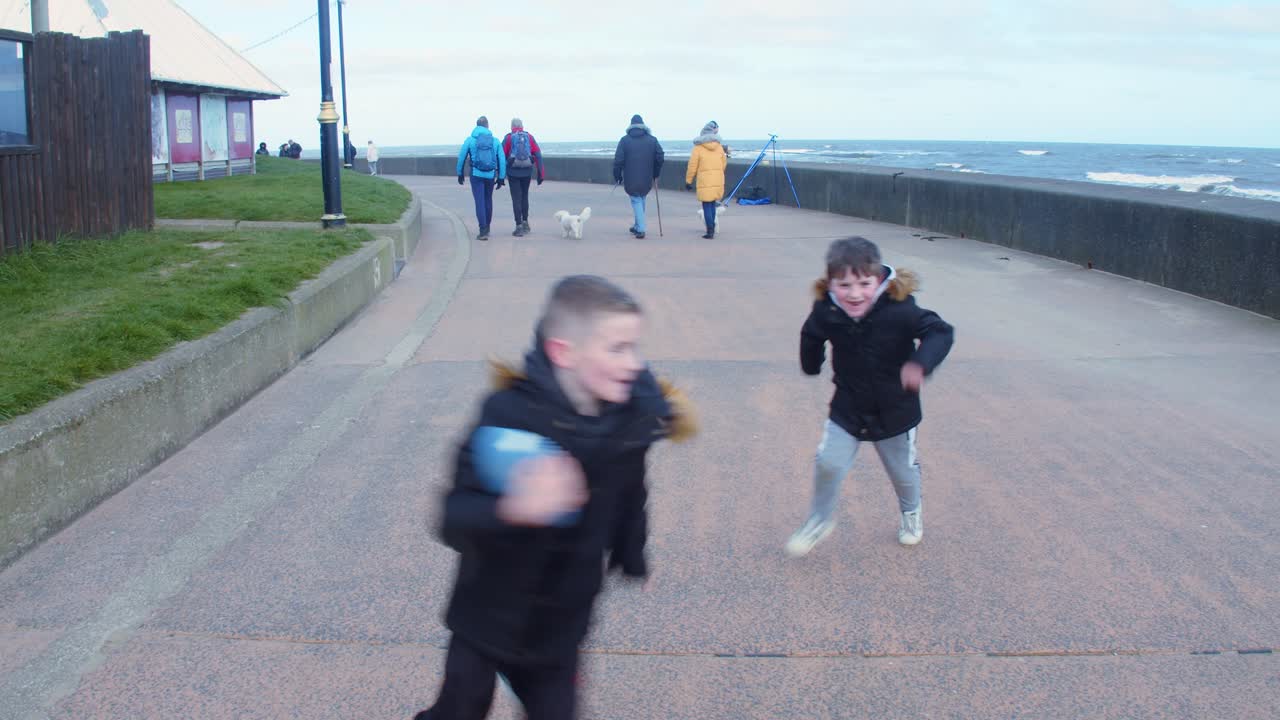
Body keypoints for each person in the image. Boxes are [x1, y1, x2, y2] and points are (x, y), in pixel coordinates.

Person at [415, 275, 695, 720]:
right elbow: (452, 517)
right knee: (459, 708)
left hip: (560, 626)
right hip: (486, 615)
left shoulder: (630, 422)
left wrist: (632, 553)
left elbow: (630, 494)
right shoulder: (507, 415)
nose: (634, 364)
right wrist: (514, 509)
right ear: (564, 352)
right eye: (617, 349)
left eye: (634, 347)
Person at [785, 237, 954, 556]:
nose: (855, 293)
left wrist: (920, 363)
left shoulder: (900, 309)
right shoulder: (827, 309)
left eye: (864, 283)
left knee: (903, 474)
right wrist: (811, 362)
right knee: (829, 463)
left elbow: (940, 332)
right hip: (848, 406)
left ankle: (911, 513)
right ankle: (819, 520)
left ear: (879, 280)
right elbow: (811, 333)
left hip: (895, 410)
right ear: (830, 283)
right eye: (844, 285)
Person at [612, 114, 664, 239]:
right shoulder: (652, 139)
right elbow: (660, 156)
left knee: (636, 199)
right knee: (641, 198)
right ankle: (637, 225)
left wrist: (617, 175)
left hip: (631, 176)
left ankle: (640, 229)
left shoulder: (624, 140)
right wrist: (656, 172)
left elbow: (618, 160)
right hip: (646, 176)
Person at [456, 116, 507, 241]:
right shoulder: (495, 141)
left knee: (479, 201)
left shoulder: (470, 140)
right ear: (487, 126)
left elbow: (461, 157)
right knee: (488, 200)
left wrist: (460, 173)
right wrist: (501, 178)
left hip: (476, 174)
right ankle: (487, 227)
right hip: (490, 175)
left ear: (476, 126)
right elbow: (502, 160)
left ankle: (482, 230)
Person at [501, 118, 546, 237]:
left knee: (516, 198)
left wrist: (501, 174)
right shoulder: (529, 137)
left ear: (511, 127)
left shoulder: (508, 138)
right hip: (527, 171)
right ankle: (525, 222)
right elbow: (537, 154)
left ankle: (519, 226)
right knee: (524, 196)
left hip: (513, 172)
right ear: (522, 126)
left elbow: (501, 156)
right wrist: (541, 173)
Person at [684, 120, 728, 239]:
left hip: (704, 180)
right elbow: (724, 164)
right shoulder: (719, 147)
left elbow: (692, 166)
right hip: (717, 179)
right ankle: (712, 227)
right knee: (712, 204)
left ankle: (710, 230)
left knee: (706, 205)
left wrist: (688, 181)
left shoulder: (698, 148)